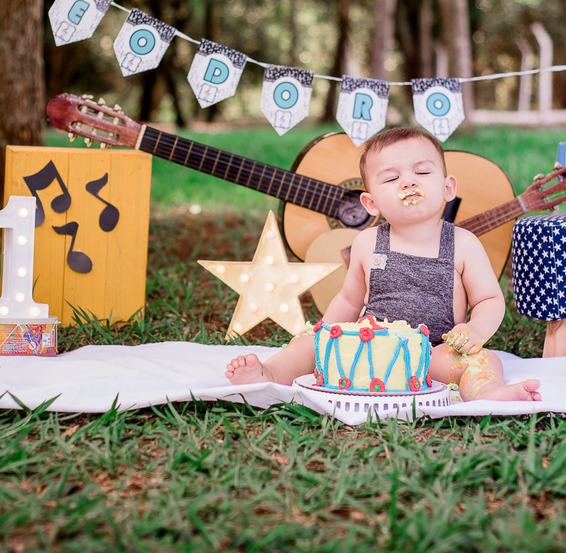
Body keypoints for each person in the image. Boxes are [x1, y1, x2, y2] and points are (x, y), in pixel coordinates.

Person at [226, 127, 541, 402]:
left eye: (422, 172)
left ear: (448, 188)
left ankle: (487, 392)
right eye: (392, 178)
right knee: (305, 344)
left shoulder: (463, 243)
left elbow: (489, 298)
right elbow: (350, 300)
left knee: (481, 360)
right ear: (371, 203)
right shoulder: (367, 242)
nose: (408, 183)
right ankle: (269, 373)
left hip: (431, 355)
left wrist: (474, 329)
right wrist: (325, 333)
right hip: (369, 348)